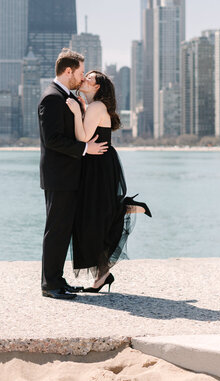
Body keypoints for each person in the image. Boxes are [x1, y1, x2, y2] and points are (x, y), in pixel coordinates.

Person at [66, 70, 151, 293]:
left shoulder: (96, 107)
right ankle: (102, 276)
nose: (84, 78)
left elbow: (83, 137)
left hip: (98, 166)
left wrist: (76, 112)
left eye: (90, 78)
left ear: (98, 87)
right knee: (94, 218)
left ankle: (122, 209)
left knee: (92, 218)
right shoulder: (94, 106)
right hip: (98, 163)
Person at [38, 49, 109, 300]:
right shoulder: (52, 98)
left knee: (63, 229)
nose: (81, 78)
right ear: (68, 71)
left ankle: (57, 280)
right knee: (56, 230)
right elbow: (53, 140)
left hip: (68, 175)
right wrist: (85, 148)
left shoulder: (65, 96)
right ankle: (50, 285)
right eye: (80, 72)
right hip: (59, 176)